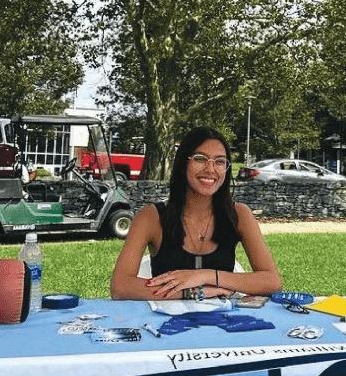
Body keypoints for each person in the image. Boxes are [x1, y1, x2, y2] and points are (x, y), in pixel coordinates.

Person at [111, 127, 282, 300]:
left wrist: (206, 276)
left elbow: (271, 282)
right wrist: (193, 292)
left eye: (220, 161)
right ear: (183, 163)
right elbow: (121, 286)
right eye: (200, 159)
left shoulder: (239, 214)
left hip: (222, 322)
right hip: (164, 323)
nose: (210, 169)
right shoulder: (150, 217)